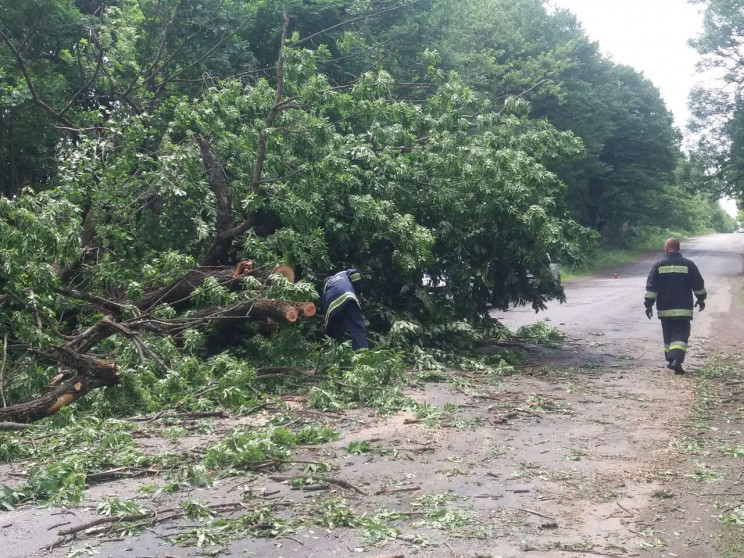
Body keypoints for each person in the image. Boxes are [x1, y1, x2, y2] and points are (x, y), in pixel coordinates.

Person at [644, 238, 706, 374]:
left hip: (664, 309)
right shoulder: (688, 265)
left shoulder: (658, 265)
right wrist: (701, 299)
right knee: (681, 334)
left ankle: (671, 360)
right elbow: (698, 285)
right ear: (678, 248)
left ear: (666, 249)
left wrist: (648, 305)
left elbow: (651, 288)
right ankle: (676, 360)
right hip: (683, 309)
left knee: (668, 335)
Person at [321, 269, 368, 350]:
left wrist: (329, 327)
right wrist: (358, 291)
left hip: (332, 308)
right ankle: (362, 352)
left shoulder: (326, 288)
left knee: (335, 335)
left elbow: (324, 307)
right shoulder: (343, 273)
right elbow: (355, 274)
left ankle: (335, 354)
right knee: (356, 325)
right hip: (347, 297)